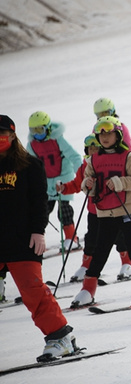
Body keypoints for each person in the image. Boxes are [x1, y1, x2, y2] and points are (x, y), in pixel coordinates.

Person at [0, 114, 78, 361]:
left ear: (13, 135)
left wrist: (38, 230)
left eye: (3, 134)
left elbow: (39, 201)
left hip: (23, 240)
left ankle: (60, 337)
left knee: (33, 291)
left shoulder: (30, 165)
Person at [71, 116, 131, 307]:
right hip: (104, 212)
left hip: (126, 209)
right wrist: (88, 185)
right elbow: (87, 185)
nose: (104, 138)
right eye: (100, 135)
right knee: (100, 250)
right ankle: (88, 289)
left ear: (117, 134)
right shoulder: (93, 160)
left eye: (108, 133)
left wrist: (120, 183)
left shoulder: (128, 156)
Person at [56, 134, 131, 282]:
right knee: (92, 238)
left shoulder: (108, 162)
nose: (93, 151)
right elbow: (76, 184)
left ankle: (127, 263)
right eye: (90, 148)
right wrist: (63, 188)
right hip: (94, 211)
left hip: (114, 208)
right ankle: (86, 265)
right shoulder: (86, 166)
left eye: (96, 148)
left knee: (120, 237)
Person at [27, 111, 83, 250]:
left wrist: (82, 173)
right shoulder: (32, 145)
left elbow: (74, 156)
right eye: (33, 131)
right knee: (42, 210)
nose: (37, 134)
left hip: (63, 179)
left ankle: (71, 238)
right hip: (46, 182)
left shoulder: (58, 139)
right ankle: (36, 239)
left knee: (63, 210)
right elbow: (31, 166)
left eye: (40, 129)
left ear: (48, 128)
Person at [93, 97, 131, 233]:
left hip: (121, 168)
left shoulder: (121, 127)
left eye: (106, 113)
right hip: (107, 170)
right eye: (100, 115)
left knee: (127, 196)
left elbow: (127, 147)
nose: (103, 117)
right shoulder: (99, 128)